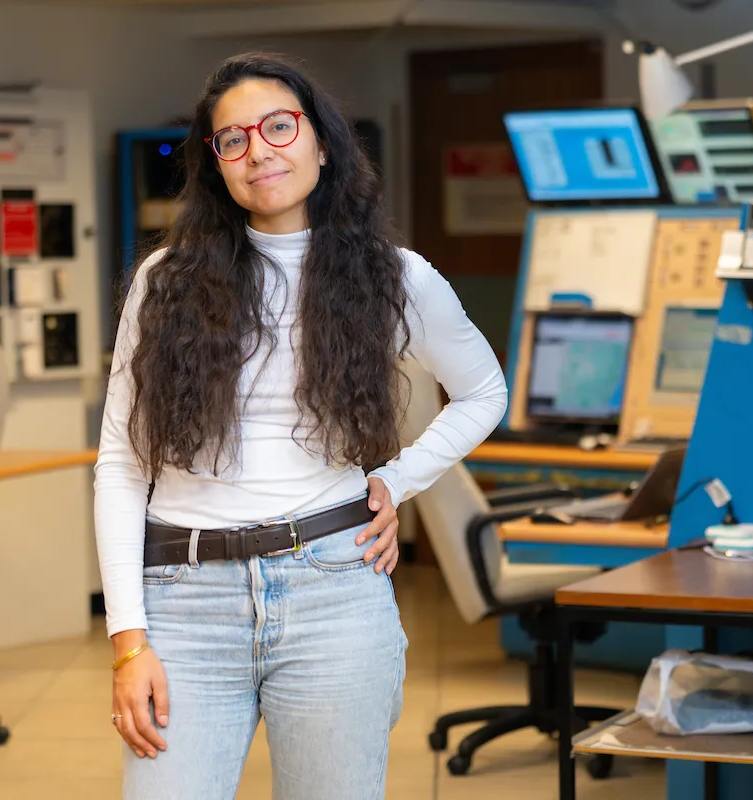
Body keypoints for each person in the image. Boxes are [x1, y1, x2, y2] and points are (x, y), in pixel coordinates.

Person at [94, 52, 507, 799]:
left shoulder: (396, 276)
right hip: (184, 603)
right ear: (215, 163)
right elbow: (121, 467)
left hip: (335, 593)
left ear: (321, 141)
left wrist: (394, 480)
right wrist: (129, 643)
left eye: (279, 127)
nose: (259, 150)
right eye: (233, 139)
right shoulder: (164, 284)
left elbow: (483, 392)